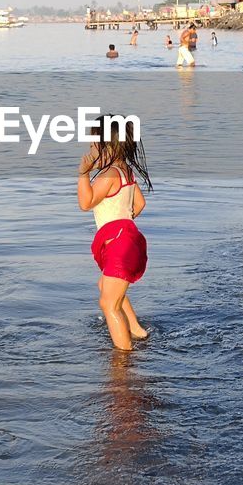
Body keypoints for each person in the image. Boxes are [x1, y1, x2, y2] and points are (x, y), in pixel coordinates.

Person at [77, 116, 151, 351]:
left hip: (119, 246)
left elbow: (86, 202)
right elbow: (139, 204)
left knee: (108, 303)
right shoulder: (125, 172)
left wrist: (82, 174)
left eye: (92, 146)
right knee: (106, 288)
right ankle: (137, 330)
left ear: (106, 146)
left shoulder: (108, 175)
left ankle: (123, 361)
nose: (90, 151)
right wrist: (121, 225)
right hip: (130, 241)